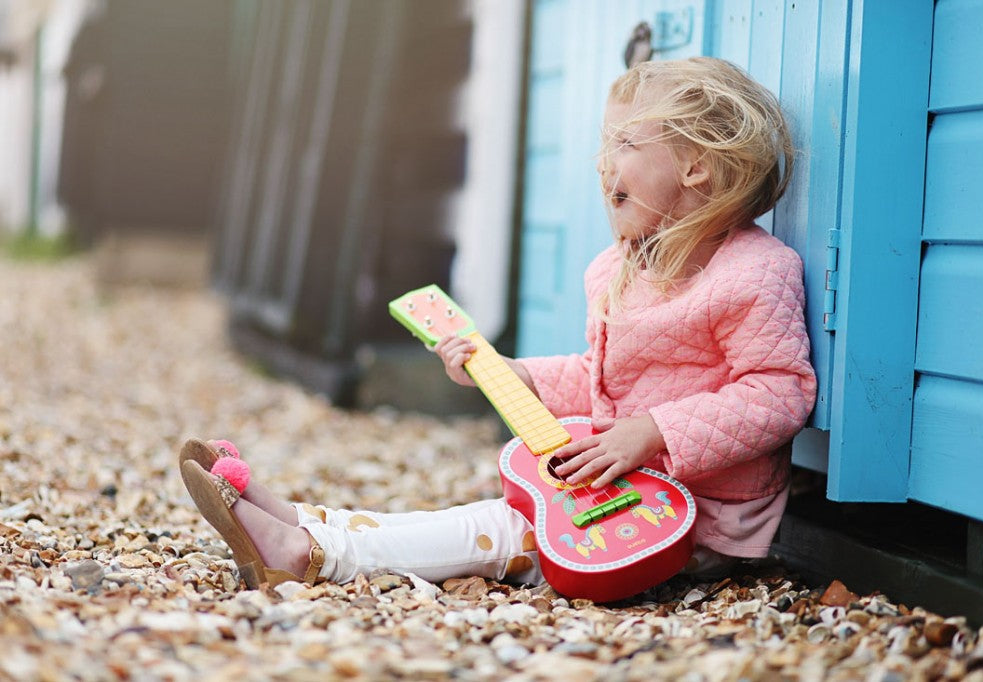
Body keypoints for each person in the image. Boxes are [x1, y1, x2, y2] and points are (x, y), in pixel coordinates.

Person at [180, 57, 817, 592]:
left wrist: (652, 433)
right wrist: (513, 375)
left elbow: (779, 392)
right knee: (494, 517)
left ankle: (306, 556)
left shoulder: (755, 272)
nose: (603, 163)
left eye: (624, 144)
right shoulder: (619, 270)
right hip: (625, 485)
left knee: (496, 528)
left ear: (697, 165)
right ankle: (302, 521)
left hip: (693, 519)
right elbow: (601, 381)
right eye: (604, 143)